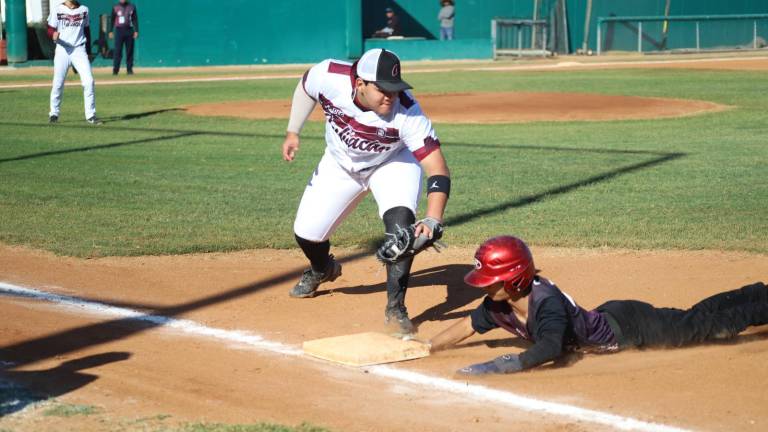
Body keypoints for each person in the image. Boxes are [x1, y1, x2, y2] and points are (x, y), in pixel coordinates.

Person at [282, 48, 451, 335]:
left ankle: (396, 308)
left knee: (401, 229)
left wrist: (433, 218)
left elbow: (437, 169)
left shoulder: (407, 113)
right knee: (307, 233)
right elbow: (305, 86)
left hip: (392, 163)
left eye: (395, 89)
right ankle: (322, 268)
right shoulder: (328, 76)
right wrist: (293, 131)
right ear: (360, 83)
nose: (391, 96)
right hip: (340, 164)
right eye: (383, 89)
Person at [429, 235, 768, 375]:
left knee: (707, 328)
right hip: (617, 314)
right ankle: (756, 291)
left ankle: (759, 301)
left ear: (514, 278)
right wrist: (428, 346)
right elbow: (467, 326)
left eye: (491, 281)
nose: (485, 288)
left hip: (634, 327)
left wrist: (501, 365)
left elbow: (548, 347)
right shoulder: (498, 305)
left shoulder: (546, 303)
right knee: (694, 318)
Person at [47, 0, 100, 125]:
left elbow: (87, 30)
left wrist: (88, 51)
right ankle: (54, 113)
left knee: (89, 81)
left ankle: (91, 115)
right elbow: (49, 28)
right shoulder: (58, 9)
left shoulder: (84, 10)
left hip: (79, 49)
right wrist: (52, 34)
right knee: (58, 83)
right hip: (62, 49)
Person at [109, 0, 139, 75]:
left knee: (129, 51)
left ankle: (129, 70)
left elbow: (134, 19)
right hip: (119, 31)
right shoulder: (115, 7)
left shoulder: (132, 6)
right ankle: (115, 70)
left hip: (129, 30)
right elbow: (112, 19)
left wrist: (136, 31)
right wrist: (110, 31)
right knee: (118, 51)